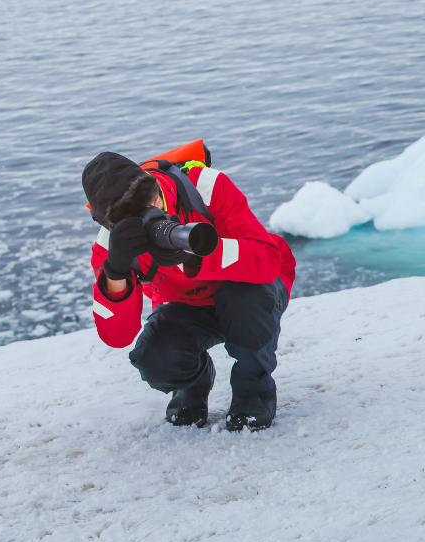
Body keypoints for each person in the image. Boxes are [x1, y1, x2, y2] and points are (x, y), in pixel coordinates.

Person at [82, 147, 296, 431]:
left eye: (154, 198)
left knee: (247, 302)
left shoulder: (205, 187)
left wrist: (197, 257)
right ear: (110, 224)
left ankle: (254, 392)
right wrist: (116, 271)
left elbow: (267, 261)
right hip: (188, 305)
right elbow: (117, 336)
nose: (157, 211)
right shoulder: (111, 246)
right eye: (138, 216)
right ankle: (194, 382)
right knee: (155, 358)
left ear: (154, 183)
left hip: (253, 289)